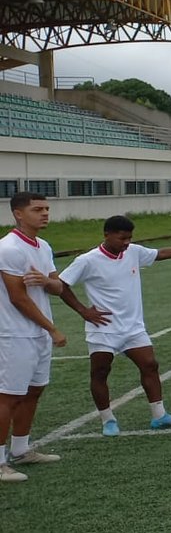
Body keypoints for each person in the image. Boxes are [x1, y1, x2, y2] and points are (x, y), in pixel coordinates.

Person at [57, 216, 171, 436]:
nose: (126, 242)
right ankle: (108, 420)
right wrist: (83, 311)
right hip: (103, 328)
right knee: (100, 372)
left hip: (133, 327)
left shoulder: (134, 252)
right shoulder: (87, 260)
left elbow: (161, 254)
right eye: (122, 237)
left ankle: (159, 415)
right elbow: (61, 285)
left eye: (129, 238)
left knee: (150, 365)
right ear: (107, 235)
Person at [0, 192, 67, 482]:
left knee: (34, 391)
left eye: (47, 209)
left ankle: (21, 450)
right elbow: (18, 298)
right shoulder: (9, 248)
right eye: (38, 209)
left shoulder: (43, 245)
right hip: (13, 334)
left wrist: (47, 281)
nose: (45, 214)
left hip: (37, 334)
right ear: (18, 213)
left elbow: (58, 287)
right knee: (8, 397)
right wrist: (51, 328)